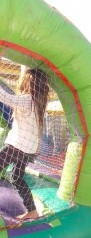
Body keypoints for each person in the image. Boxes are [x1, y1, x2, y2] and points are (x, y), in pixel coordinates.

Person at [0, 68, 49, 220]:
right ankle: (32, 210)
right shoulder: (39, 103)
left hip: (17, 146)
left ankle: (32, 210)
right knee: (17, 177)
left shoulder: (27, 99)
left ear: (28, 83)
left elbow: (6, 98)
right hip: (29, 150)